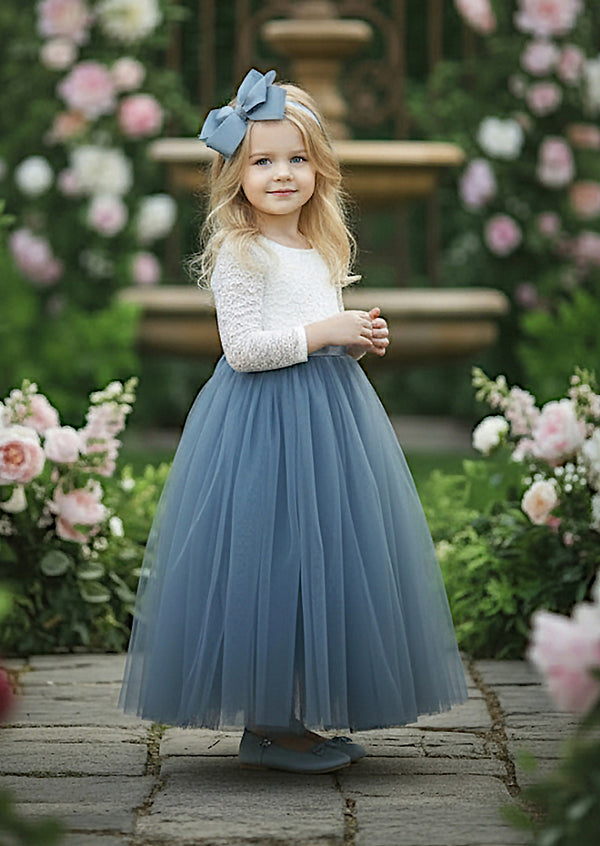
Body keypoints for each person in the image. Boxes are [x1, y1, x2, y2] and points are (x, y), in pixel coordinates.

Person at [118, 68, 468, 774]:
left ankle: (299, 717)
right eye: (264, 160)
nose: (283, 174)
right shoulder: (239, 254)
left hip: (329, 422)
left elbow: (313, 325)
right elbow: (245, 351)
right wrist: (321, 332)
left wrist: (353, 336)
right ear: (235, 175)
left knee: (326, 562)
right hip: (262, 430)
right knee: (269, 562)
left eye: (298, 159)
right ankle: (270, 724)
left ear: (320, 169)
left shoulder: (318, 246)